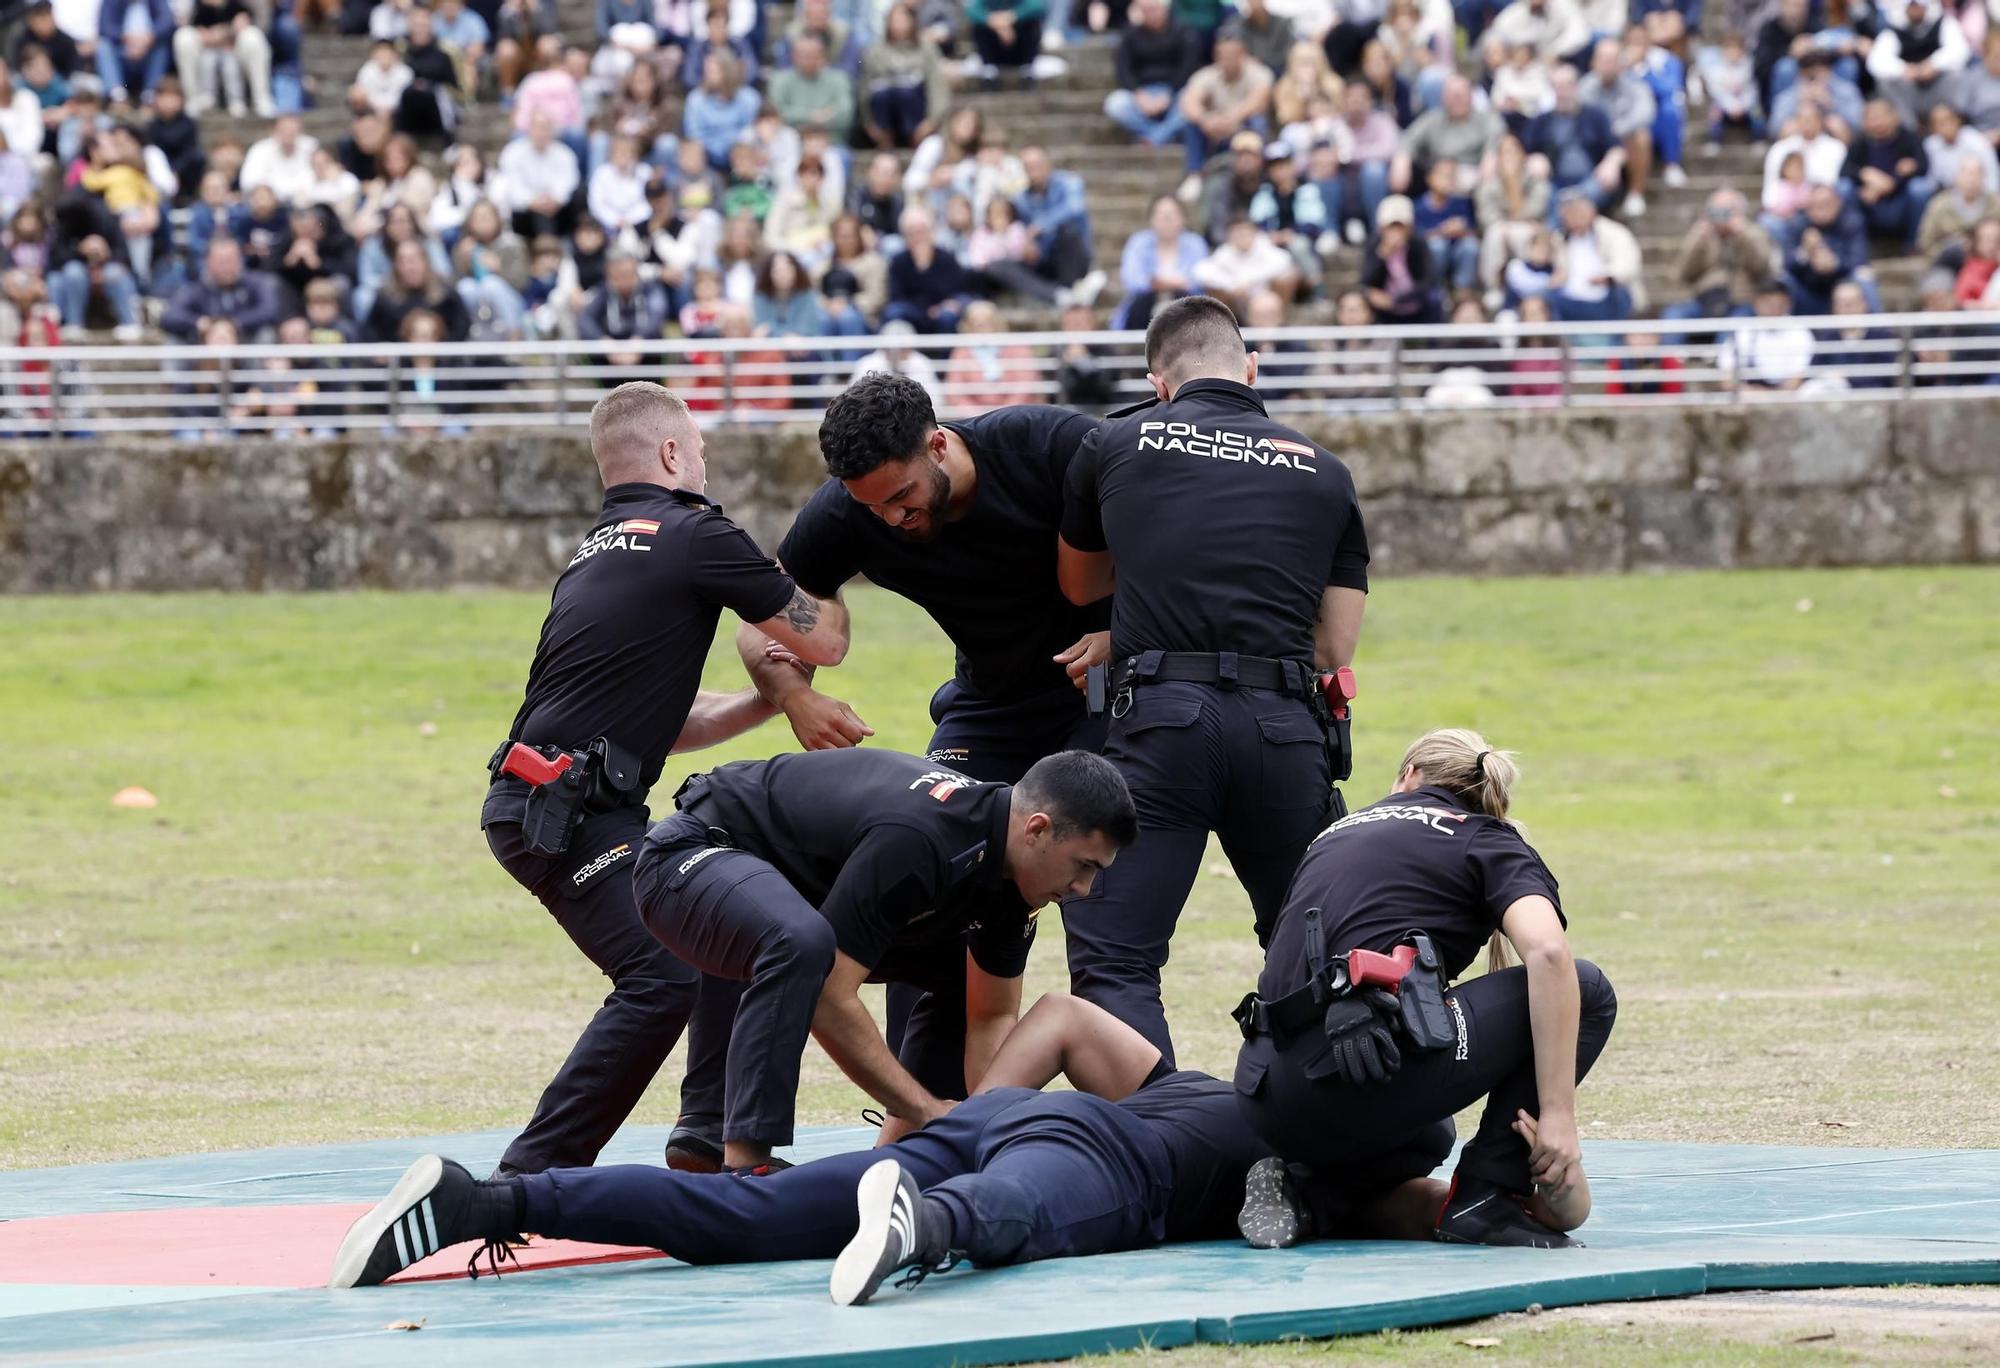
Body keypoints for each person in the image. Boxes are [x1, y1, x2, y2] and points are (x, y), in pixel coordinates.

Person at [329, 993, 1304, 1296]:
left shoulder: (1201, 1084)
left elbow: (1056, 1017)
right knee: (1030, 1215)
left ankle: (486, 1203)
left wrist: (964, 1125)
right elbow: (1428, 1213)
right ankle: (925, 1225)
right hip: (1077, 1161)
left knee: (739, 1215)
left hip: (998, 1124)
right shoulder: (1316, 1148)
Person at [477, 382, 846, 1181]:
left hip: (552, 797)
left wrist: (767, 702)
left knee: (714, 914)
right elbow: (823, 642)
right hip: (568, 813)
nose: (706, 462)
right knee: (663, 974)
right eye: (701, 449)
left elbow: (657, 728)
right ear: (673, 454)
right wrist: (835, 555)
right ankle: (530, 1179)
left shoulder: (597, 550)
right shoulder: (692, 533)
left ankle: (704, 1136)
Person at [1055, 296, 1370, 1061]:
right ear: (1251, 369)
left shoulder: (1114, 443)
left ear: (1160, 383)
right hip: (1287, 729)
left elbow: (1080, 585)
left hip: (1160, 724)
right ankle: (1322, 1150)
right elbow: (1332, 647)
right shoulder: (1325, 472)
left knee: (1116, 958)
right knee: (1321, 954)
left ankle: (1164, 1142)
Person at [634, 748, 1136, 1173]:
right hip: (686, 859)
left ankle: (894, 1155)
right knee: (802, 945)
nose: (1083, 890)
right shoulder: (924, 838)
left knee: (958, 975)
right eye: (1084, 866)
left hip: (785, 893)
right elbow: (829, 997)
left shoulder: (1013, 880)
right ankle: (747, 1165)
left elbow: (990, 1017)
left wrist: (983, 1129)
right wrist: (925, 1107)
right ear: (1038, 829)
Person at [1231, 728, 1619, 1251]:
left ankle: (1308, 1190)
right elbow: (1550, 955)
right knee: (1588, 988)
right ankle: (1489, 1195)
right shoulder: (1485, 838)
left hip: (1265, 1094)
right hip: (1351, 1083)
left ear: (1408, 776)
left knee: (1431, 1132)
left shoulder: (1336, 832)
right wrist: (1560, 1118)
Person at [1105, 0, 1201, 149]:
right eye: (1145, 10)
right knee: (1115, 104)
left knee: (1190, 102)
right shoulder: (1130, 35)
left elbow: (1188, 68)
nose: (1151, 14)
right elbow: (1123, 69)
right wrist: (1138, 94)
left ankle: (1153, 139)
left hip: (1174, 92)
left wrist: (1169, 94)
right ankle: (1160, 136)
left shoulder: (1183, 32)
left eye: (1153, 9)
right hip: (1142, 94)